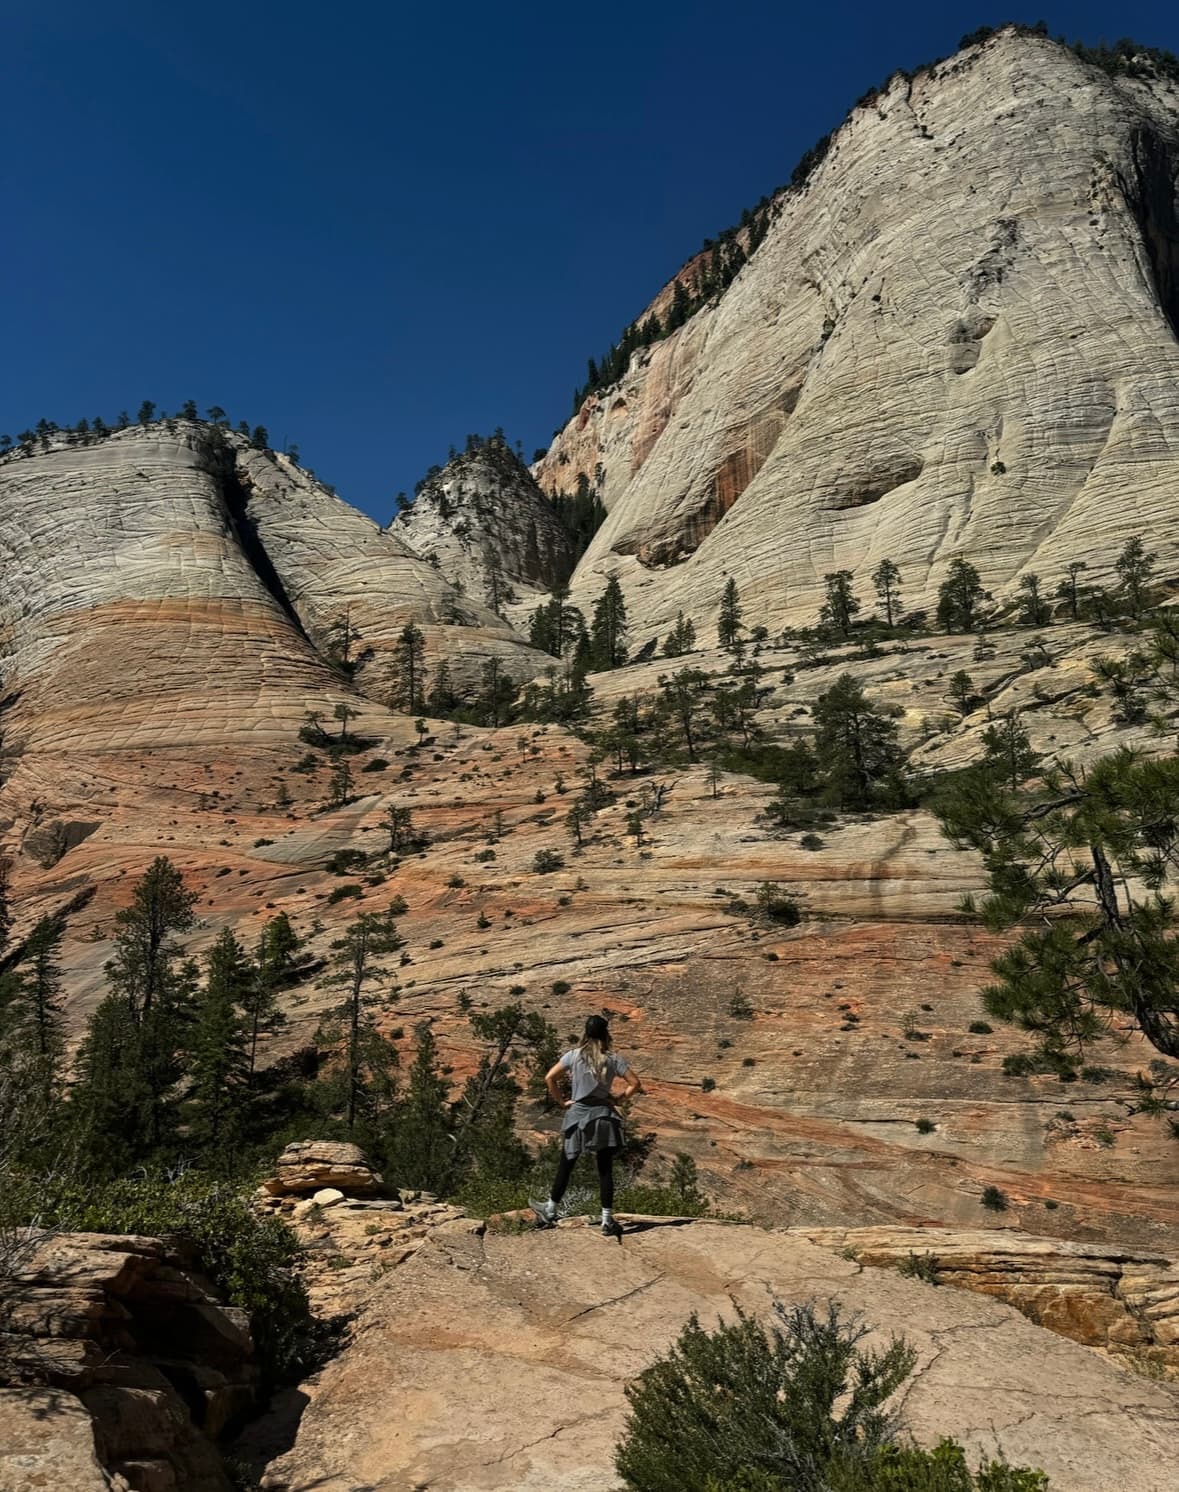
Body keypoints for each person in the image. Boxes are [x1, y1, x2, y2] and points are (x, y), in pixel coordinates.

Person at [531, 1014, 641, 1238]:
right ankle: (607, 1221)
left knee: (566, 1163)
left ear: (586, 1033)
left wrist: (562, 1102)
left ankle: (550, 1210)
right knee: (604, 1169)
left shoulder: (573, 1056)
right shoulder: (613, 1058)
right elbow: (635, 1084)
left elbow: (549, 1078)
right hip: (603, 1116)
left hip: (578, 1115)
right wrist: (618, 1100)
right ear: (606, 1034)